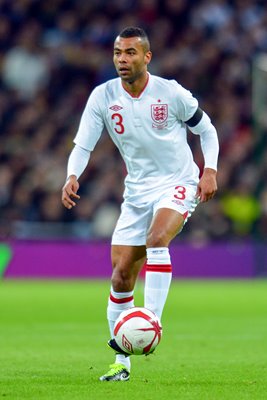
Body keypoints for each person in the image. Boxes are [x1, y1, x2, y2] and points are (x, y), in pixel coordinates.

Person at [61, 26, 219, 382]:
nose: (122, 59)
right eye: (118, 52)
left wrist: (209, 171)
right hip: (136, 192)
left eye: (131, 53)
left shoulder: (171, 92)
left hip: (178, 182)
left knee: (157, 238)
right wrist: (72, 175)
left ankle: (152, 321)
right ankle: (121, 364)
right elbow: (83, 145)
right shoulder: (102, 97)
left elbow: (206, 130)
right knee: (120, 277)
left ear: (147, 57)